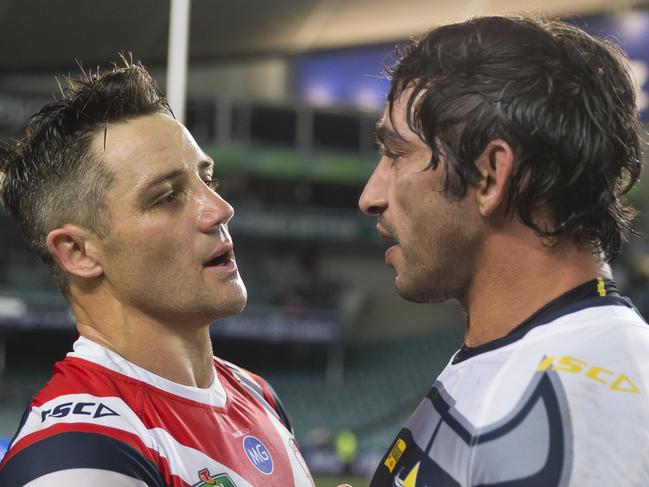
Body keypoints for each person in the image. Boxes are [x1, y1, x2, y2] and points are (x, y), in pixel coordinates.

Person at [359, 16, 649, 486]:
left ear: (491, 175)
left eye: (396, 154)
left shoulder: (581, 408)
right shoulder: (524, 357)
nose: (370, 195)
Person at [0, 57, 314, 487]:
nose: (220, 209)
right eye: (166, 197)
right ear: (77, 252)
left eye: (209, 179)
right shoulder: (76, 455)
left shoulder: (255, 392)